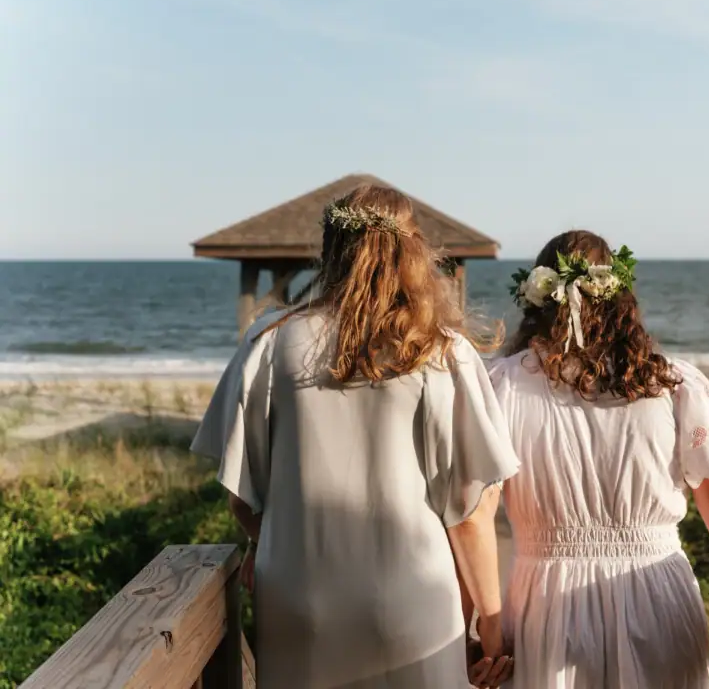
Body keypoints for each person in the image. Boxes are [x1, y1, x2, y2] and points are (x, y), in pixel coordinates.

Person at [190, 184, 519, 689]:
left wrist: (271, 539)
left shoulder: (269, 340)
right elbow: (472, 513)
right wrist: (491, 628)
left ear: (329, 250)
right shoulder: (439, 350)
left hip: (298, 602)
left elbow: (241, 495)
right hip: (414, 601)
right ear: (412, 250)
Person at [489, 230, 709, 688]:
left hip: (545, 606)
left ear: (536, 300)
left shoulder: (499, 386)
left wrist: (484, 627)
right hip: (658, 601)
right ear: (621, 299)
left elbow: (468, 516)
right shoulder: (674, 385)